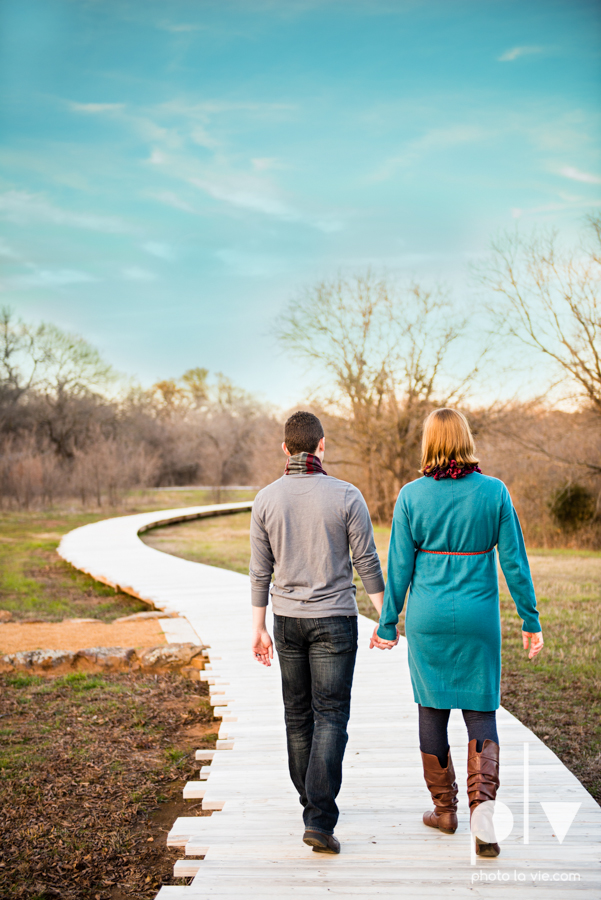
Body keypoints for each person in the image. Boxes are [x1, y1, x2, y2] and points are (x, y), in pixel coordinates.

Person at [371, 408, 543, 858]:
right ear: (466, 440)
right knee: (480, 710)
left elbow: (400, 567)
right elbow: (515, 563)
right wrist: (530, 619)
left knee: (432, 707)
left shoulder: (411, 495)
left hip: (427, 618)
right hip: (478, 618)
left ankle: (444, 811)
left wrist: (388, 622)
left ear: (428, 443)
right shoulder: (494, 492)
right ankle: (483, 825)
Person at [250, 411, 392, 854]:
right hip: (335, 621)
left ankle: (311, 805)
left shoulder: (265, 500)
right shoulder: (347, 495)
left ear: (285, 449)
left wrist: (258, 627)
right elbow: (367, 563)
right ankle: (319, 815)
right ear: (322, 446)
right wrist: (386, 619)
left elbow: (260, 571)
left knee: (298, 717)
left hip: (287, 622)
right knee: (330, 715)